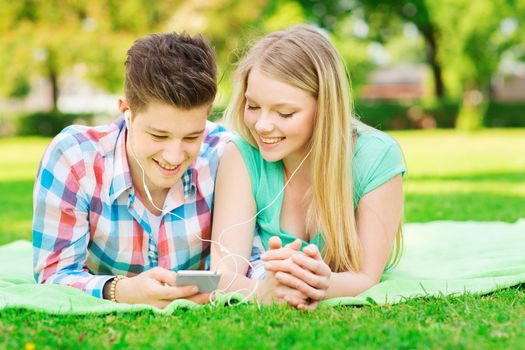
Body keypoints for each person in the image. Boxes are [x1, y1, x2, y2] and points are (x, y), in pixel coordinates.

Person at [210, 25, 405, 310]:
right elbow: (224, 275)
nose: (262, 125)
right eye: (253, 107)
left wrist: (322, 284)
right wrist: (266, 290)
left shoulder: (376, 156)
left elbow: (366, 276)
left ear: (324, 108)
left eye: (284, 112)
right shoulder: (241, 155)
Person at [32, 32, 230, 309]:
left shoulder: (225, 154)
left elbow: (249, 262)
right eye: (159, 136)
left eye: (191, 137)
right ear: (126, 110)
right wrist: (121, 290)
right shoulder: (74, 158)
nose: (174, 156)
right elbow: (54, 273)